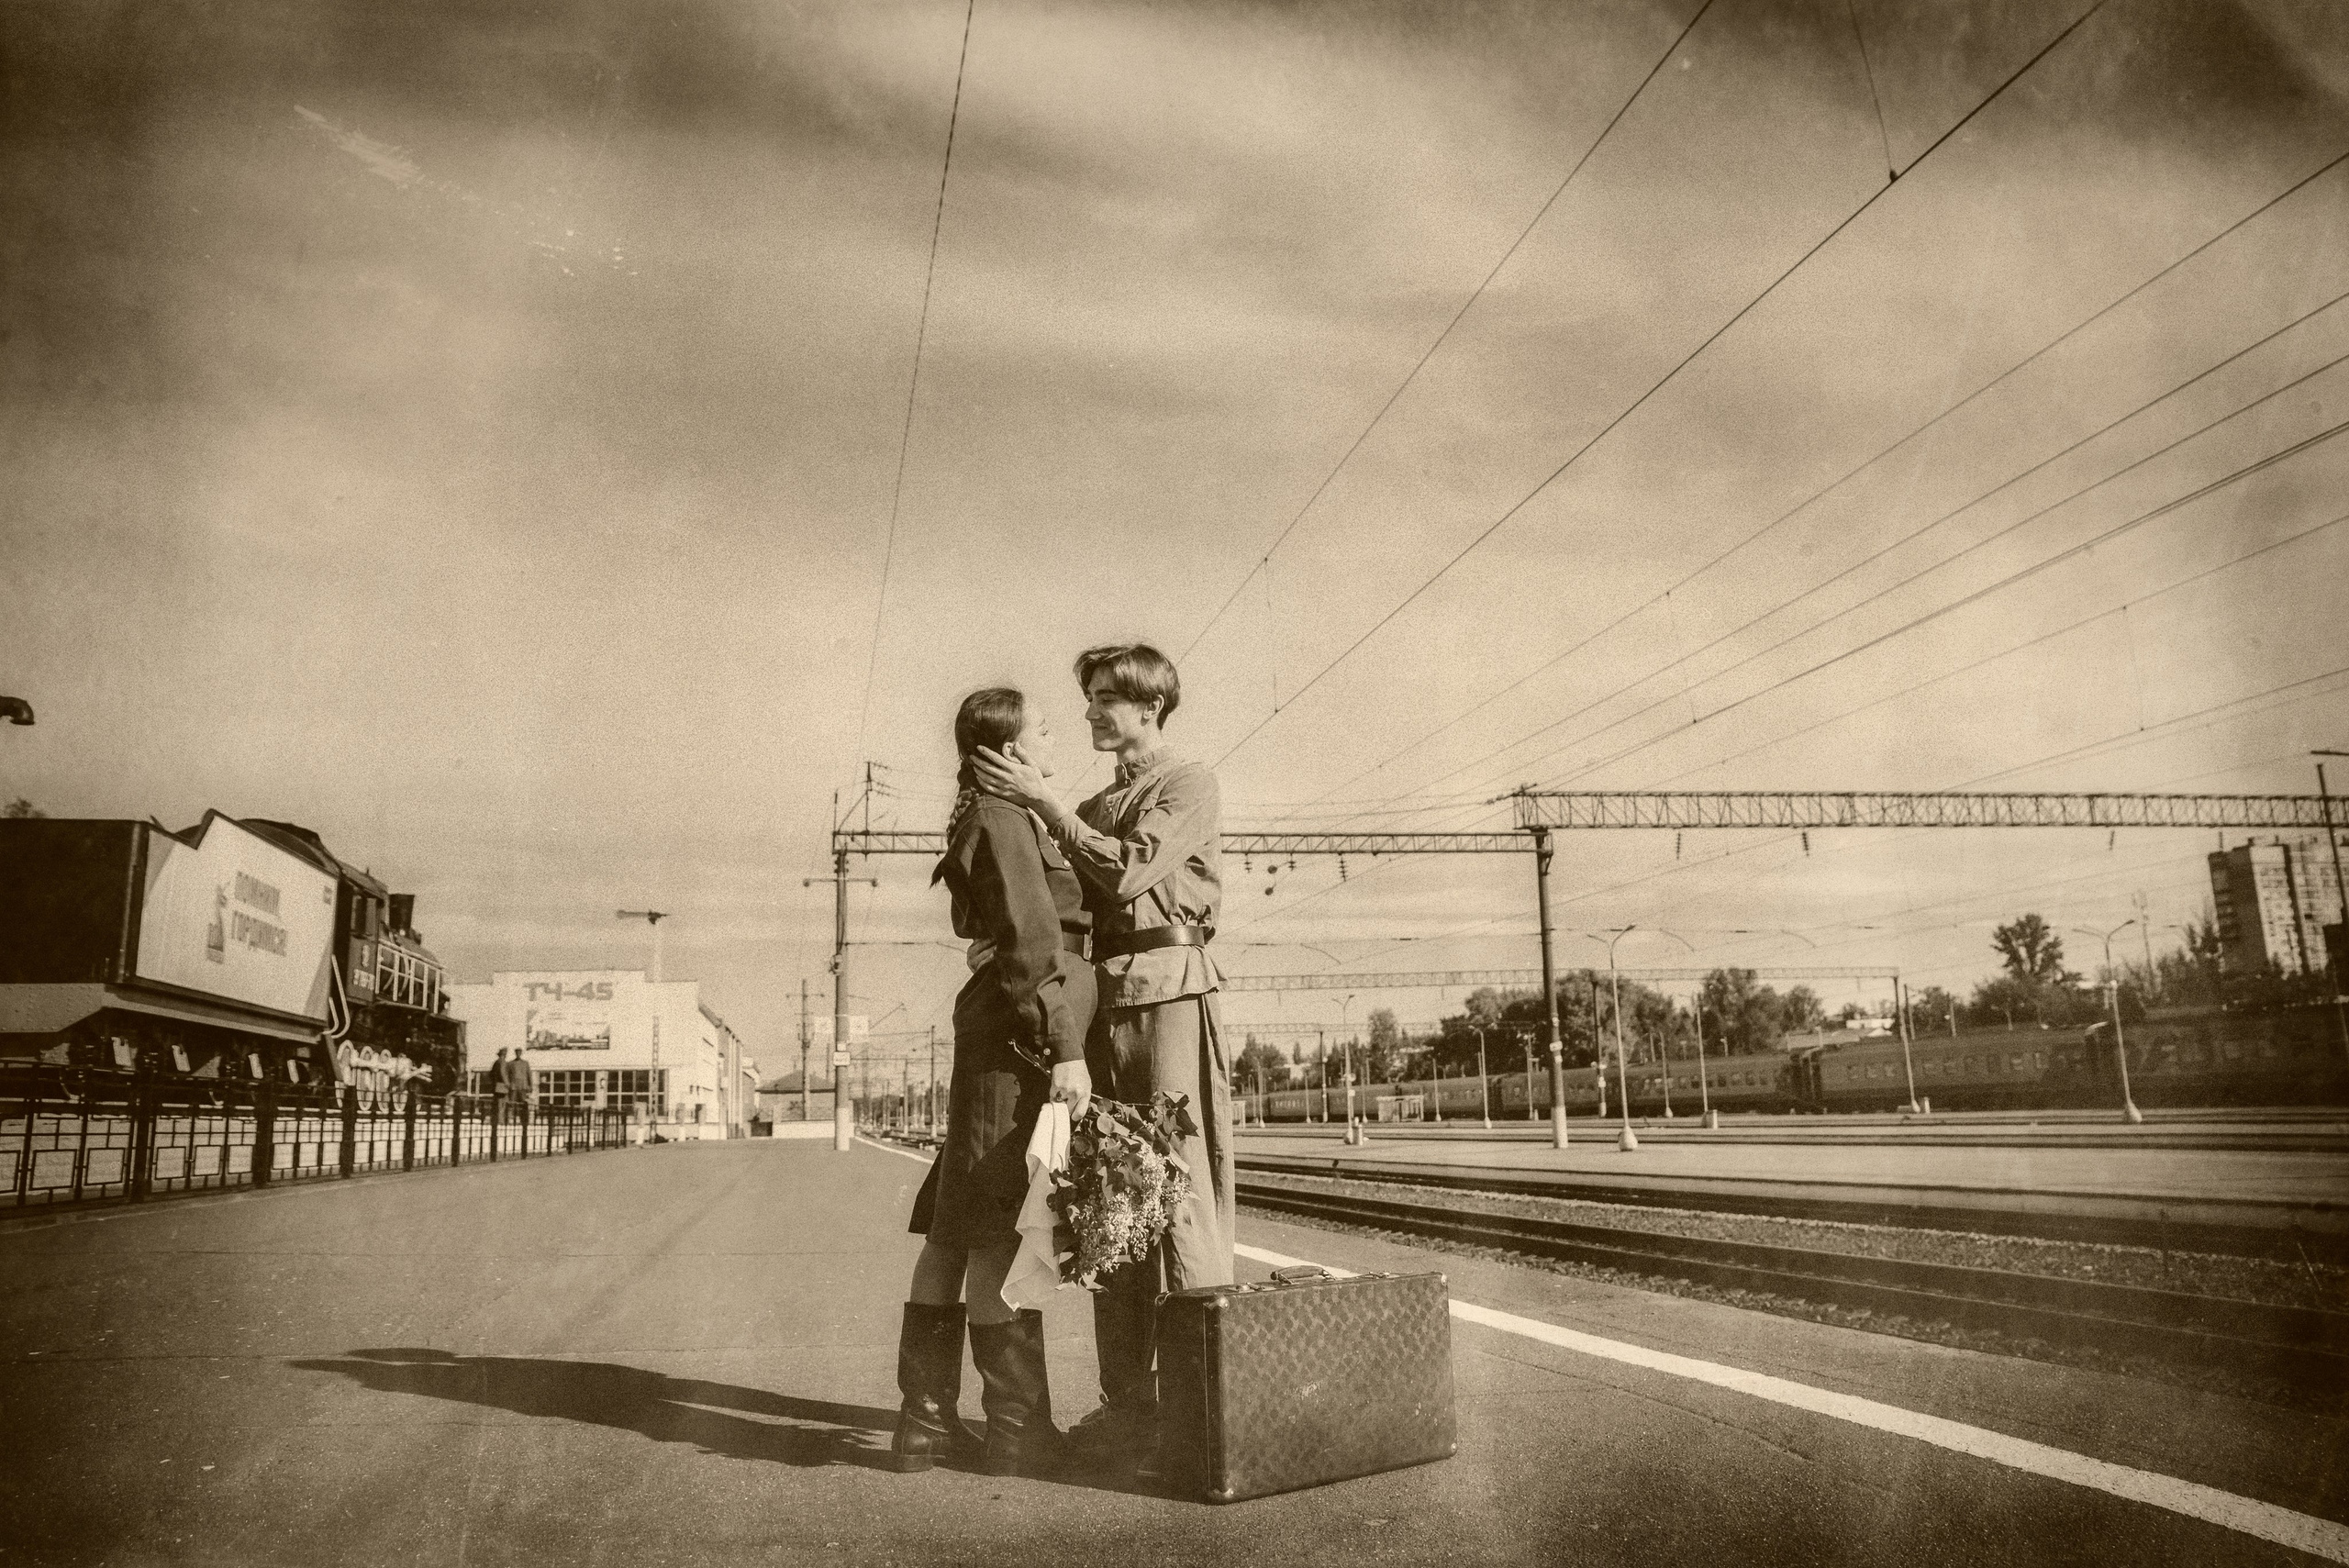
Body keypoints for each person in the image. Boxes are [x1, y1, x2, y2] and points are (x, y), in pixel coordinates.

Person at [972, 641, 1230, 1472]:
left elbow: (1121, 875)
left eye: (1103, 701)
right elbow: (1057, 894)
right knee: (1111, 1200)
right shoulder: (1089, 798)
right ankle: (1132, 1405)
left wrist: (1046, 804)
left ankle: (1205, 1408)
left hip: (1166, 991)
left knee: (1178, 1187)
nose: (1089, 712)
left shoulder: (1187, 781)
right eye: (1085, 699)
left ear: (1148, 706)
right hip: (1102, 1005)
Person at [893, 686, 1097, 1478]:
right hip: (1020, 1043)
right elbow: (1029, 938)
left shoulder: (999, 814)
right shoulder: (1005, 820)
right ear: (1009, 748)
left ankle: (927, 1424)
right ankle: (1016, 1434)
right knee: (995, 1233)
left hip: (1000, 1037)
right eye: (1044, 728)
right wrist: (1067, 1043)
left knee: (957, 1227)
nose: (1055, 735)